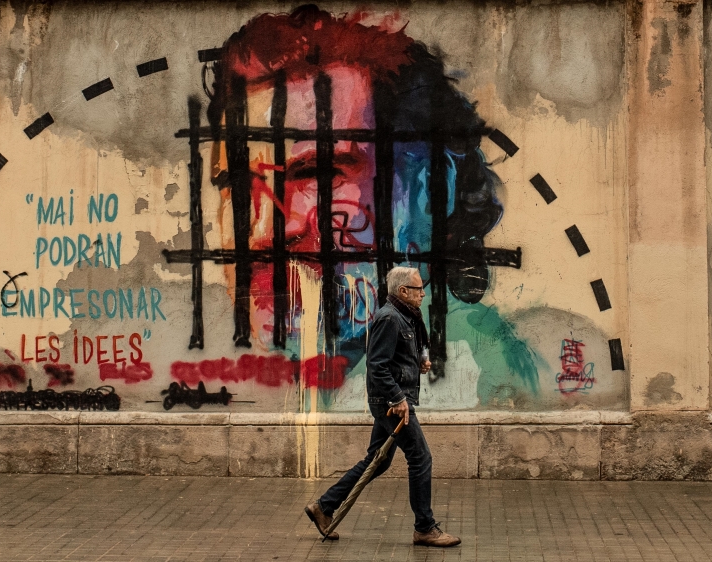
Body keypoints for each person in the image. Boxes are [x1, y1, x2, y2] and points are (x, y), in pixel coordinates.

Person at [207, 5, 504, 392]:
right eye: (238, 183)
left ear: (431, 190)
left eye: (316, 173)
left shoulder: (494, 373)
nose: (265, 231)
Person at [303, 266, 460, 546]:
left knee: (377, 461)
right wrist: (397, 399)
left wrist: (422, 360)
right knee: (420, 458)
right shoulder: (389, 318)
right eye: (418, 289)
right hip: (389, 403)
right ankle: (424, 527)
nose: (423, 293)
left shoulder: (409, 315)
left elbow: (422, 342)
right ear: (403, 291)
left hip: (396, 399)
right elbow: (377, 365)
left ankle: (323, 507)